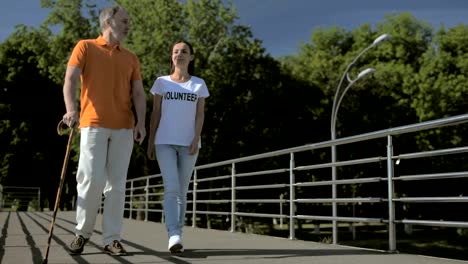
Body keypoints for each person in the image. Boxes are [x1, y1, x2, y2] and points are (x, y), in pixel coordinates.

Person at [62, 5, 146, 256]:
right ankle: (82, 233)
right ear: (109, 22)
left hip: (123, 127)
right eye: (124, 21)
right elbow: (70, 80)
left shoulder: (130, 57)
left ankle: (112, 238)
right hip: (92, 123)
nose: (128, 25)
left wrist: (141, 122)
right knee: (90, 180)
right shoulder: (85, 46)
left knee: (117, 185)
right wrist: (71, 109)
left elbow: (139, 93)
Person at [147, 40, 209, 253]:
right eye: (176, 51)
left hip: (189, 144)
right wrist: (150, 141)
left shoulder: (199, 84)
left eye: (184, 51)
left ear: (191, 57)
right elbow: (155, 113)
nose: (179, 54)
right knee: (171, 188)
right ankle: (173, 233)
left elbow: (200, 114)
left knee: (182, 191)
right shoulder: (161, 82)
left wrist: (196, 138)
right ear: (171, 56)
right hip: (164, 142)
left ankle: (178, 235)